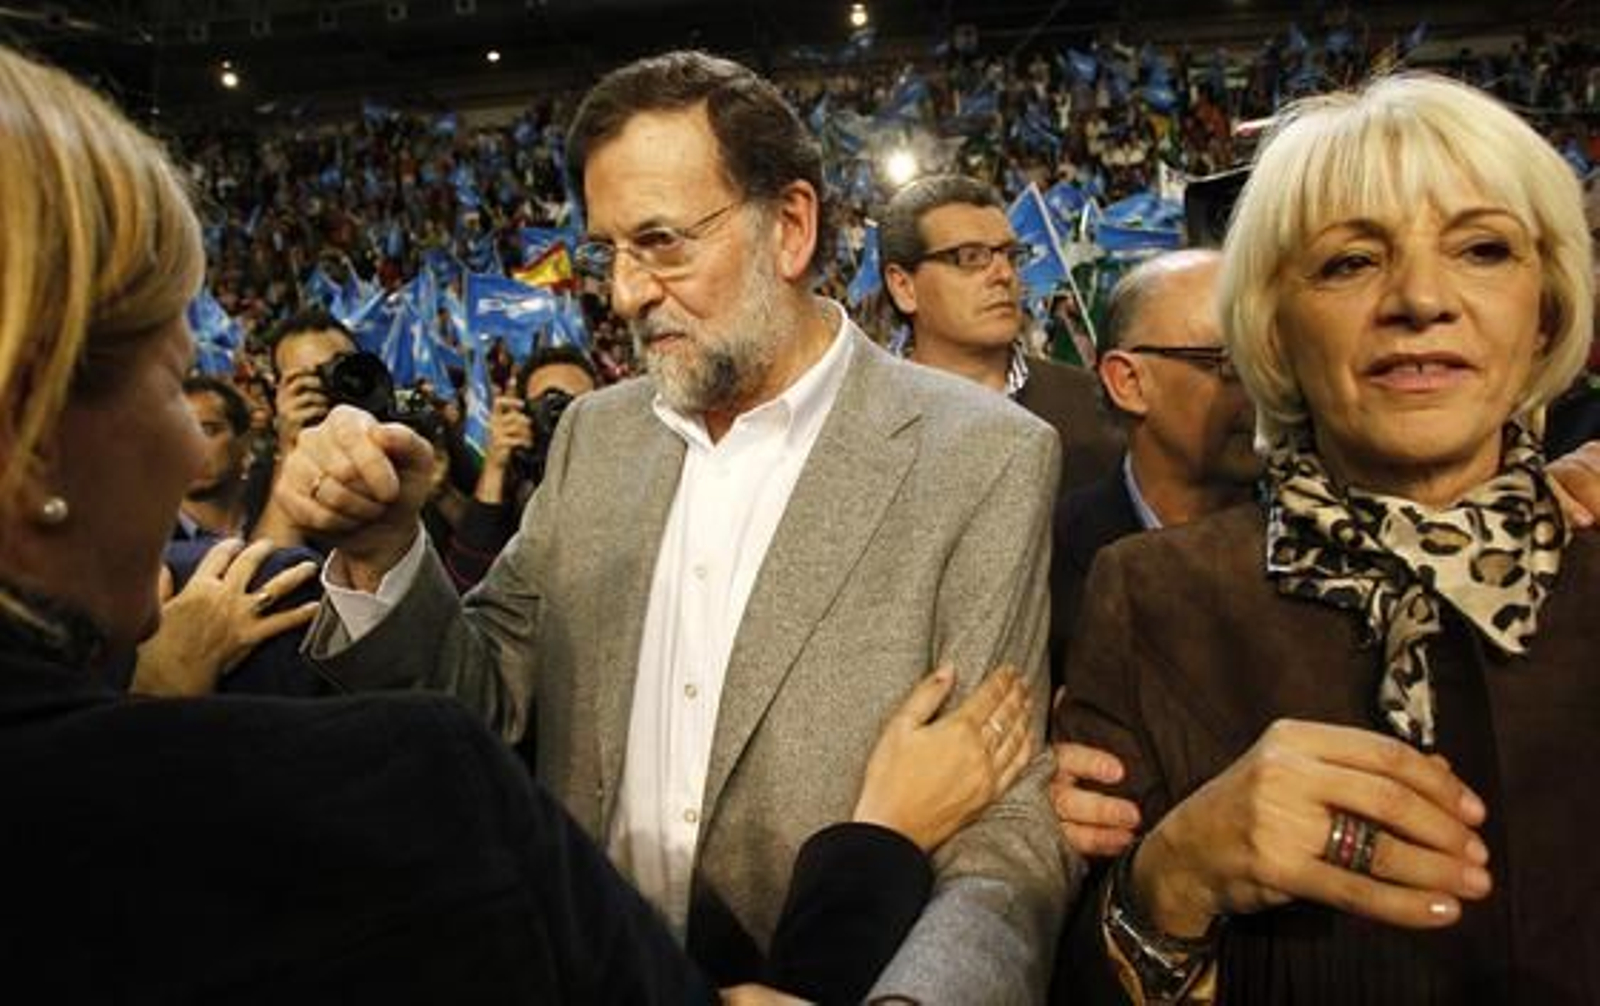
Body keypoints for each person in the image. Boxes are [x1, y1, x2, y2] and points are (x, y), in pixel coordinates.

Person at [0, 44, 1038, 1004]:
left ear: (793, 227)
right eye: (610, 251)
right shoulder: (595, 435)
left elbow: (1002, 832)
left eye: (663, 244)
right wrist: (382, 548)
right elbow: (484, 699)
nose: (628, 291)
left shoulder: (981, 455)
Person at [1054, 73, 1597, 1003]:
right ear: (1273, 325)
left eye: (1481, 249)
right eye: (1350, 262)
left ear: (1544, 309)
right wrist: (1174, 881)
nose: (1421, 299)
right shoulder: (1151, 596)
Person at [1050, 249, 1256, 672]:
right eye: (1231, 363)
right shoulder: (1051, 562)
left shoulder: (1324, 541)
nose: (1265, 389)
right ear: (1128, 382)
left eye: (1271, 358)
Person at [880, 173, 1124, 492]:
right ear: (904, 287)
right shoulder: (861, 418)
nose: (1004, 274)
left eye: (1011, 255)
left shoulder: (1092, 406)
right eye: (970, 257)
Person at [447, 344, 600, 592]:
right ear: (524, 414)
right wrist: (495, 466)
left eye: (577, 404)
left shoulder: (630, 481)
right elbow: (468, 592)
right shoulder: (519, 497)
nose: (563, 417)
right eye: (548, 403)